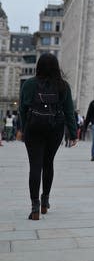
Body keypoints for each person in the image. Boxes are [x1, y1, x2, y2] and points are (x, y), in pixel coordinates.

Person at [16, 53, 77, 220]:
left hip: (33, 128)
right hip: (55, 129)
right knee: (48, 163)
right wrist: (73, 133)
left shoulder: (29, 84)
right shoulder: (63, 86)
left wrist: (22, 128)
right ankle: (45, 202)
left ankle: (34, 208)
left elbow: (22, 109)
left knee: (35, 165)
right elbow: (69, 111)